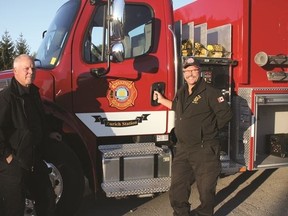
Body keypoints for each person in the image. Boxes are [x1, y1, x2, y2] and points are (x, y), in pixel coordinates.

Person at [154, 57, 232, 216]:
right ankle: (181, 213)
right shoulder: (182, 91)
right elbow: (178, 108)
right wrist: (162, 100)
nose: (190, 74)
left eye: (194, 70)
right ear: (183, 73)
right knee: (178, 186)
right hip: (183, 148)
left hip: (204, 148)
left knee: (205, 189)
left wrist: (207, 131)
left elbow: (226, 115)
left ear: (200, 71)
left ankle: (204, 213)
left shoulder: (211, 92)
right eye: (187, 71)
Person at [0, 54, 62, 216]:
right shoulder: (6, 98)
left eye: (32, 68)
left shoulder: (33, 93)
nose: (30, 72)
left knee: (47, 200)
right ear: (15, 71)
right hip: (15, 164)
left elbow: (38, 119)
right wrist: (7, 156)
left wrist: (49, 132)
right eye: (26, 68)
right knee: (13, 210)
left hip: (34, 159)